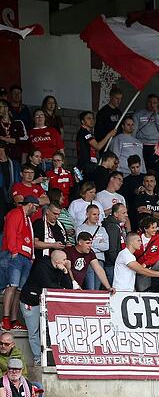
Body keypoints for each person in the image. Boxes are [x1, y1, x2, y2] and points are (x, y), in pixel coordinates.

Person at [20, 249, 73, 365]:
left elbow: (69, 287)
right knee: (34, 331)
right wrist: (61, 288)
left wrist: (65, 271)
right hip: (30, 301)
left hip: (45, 303)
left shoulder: (60, 268)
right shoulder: (41, 266)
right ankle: (38, 360)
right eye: (64, 260)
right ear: (57, 260)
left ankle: (49, 358)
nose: (66, 261)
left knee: (49, 330)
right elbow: (48, 285)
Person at [2, 196, 38, 331]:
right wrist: (13, 251)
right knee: (12, 286)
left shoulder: (28, 219)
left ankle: (13, 320)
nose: (36, 211)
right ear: (30, 204)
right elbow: (10, 232)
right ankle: (5, 318)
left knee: (19, 290)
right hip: (15, 254)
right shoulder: (15, 213)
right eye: (35, 207)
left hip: (26, 256)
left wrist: (31, 256)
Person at [134, 217, 159, 292]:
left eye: (156, 227)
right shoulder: (136, 237)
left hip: (153, 266)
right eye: (153, 228)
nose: (155, 230)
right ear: (145, 229)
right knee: (142, 291)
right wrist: (139, 266)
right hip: (140, 268)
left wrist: (146, 263)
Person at [76, 205, 110, 288]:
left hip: (100, 260)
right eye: (94, 214)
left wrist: (91, 244)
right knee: (90, 287)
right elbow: (82, 247)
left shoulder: (102, 229)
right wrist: (98, 244)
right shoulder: (80, 228)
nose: (97, 217)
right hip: (87, 260)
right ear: (87, 214)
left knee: (97, 288)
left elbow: (106, 246)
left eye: (98, 215)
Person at [76, 110, 115, 176]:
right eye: (88, 118)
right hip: (85, 166)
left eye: (92, 118)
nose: (92, 120)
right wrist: (109, 135)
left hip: (87, 165)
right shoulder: (84, 132)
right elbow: (98, 146)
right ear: (82, 121)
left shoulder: (87, 132)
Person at [102, 203, 128, 284]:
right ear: (115, 214)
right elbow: (111, 249)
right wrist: (118, 263)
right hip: (112, 265)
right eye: (123, 213)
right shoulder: (112, 227)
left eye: (126, 212)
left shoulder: (115, 225)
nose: (126, 215)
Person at [0, 99, 28, 164]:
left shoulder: (18, 123)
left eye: (0, 106)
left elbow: (25, 139)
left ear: (6, 108)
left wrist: (6, 139)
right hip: (2, 157)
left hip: (16, 157)